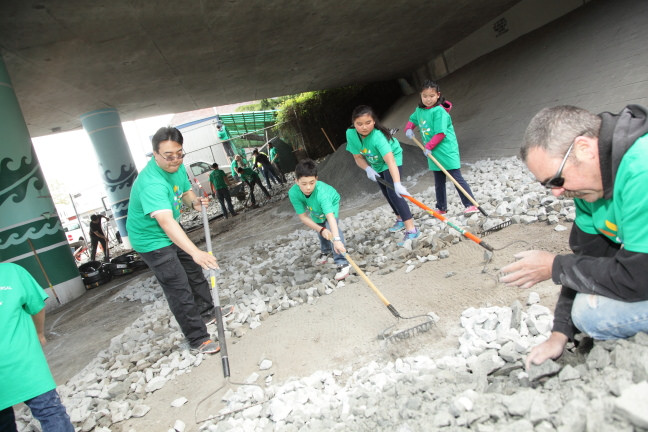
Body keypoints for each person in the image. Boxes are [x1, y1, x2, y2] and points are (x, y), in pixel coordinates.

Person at [500, 105, 648, 370]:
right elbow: (587, 259)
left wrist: (554, 266)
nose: (556, 193)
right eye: (547, 185)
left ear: (584, 148)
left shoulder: (641, 170)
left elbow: (639, 277)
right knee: (584, 308)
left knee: (591, 315)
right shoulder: (589, 189)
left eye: (556, 180)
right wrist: (559, 334)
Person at [126, 126, 221, 355]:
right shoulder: (151, 183)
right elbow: (166, 222)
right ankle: (197, 338)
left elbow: (185, 192)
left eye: (180, 154)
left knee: (194, 272)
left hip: (170, 229)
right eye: (169, 156)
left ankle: (208, 313)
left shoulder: (176, 168)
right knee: (178, 286)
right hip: (151, 240)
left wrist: (195, 203)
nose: (175, 160)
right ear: (154, 154)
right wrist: (196, 253)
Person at [0, 263, 75, 432]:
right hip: (23, 361)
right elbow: (37, 307)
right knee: (50, 411)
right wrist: (39, 333)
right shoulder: (12, 271)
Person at [346, 105, 419, 246]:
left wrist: (397, 184)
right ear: (353, 124)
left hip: (392, 158)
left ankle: (412, 229)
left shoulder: (378, 137)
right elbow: (357, 157)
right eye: (359, 124)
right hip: (375, 163)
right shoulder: (350, 134)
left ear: (374, 121)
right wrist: (368, 169)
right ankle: (400, 219)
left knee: (394, 193)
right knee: (385, 191)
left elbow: (390, 161)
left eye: (368, 123)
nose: (364, 127)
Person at [404, 80, 478, 215]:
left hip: (446, 150)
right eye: (425, 96)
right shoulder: (419, 110)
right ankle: (441, 208)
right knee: (439, 181)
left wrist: (429, 146)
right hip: (432, 151)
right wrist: (409, 128)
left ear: (438, 95)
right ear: (421, 95)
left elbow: (441, 133)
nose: (428, 99)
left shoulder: (439, 112)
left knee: (456, 178)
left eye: (431, 96)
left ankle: (471, 204)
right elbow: (413, 119)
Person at [289, 159, 351, 281]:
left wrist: (337, 240)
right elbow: (303, 217)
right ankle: (326, 250)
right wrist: (320, 229)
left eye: (312, 183)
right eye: (304, 183)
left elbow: (330, 216)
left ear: (316, 179)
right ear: (296, 181)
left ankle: (343, 262)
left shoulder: (322, 193)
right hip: (314, 206)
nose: (308, 187)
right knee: (320, 227)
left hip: (331, 202)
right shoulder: (293, 193)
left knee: (330, 229)